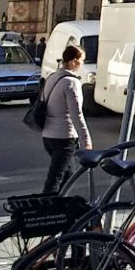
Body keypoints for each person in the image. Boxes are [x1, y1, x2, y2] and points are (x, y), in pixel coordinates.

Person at [40, 44, 91, 195]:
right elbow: (76, 114)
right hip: (64, 137)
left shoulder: (52, 77)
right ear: (74, 61)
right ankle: (46, 211)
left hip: (48, 135)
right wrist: (85, 140)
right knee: (56, 178)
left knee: (67, 175)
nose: (82, 64)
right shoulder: (71, 82)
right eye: (82, 60)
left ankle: (59, 210)